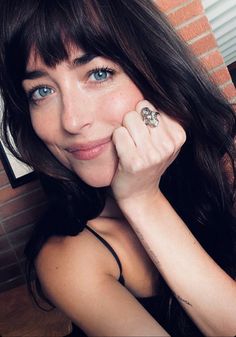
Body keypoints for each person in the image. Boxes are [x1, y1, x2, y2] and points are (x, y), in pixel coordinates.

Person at [0, 0, 235, 336]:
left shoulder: (215, 168)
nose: (72, 120)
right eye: (42, 90)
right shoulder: (68, 258)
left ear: (157, 73)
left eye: (99, 73)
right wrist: (142, 200)